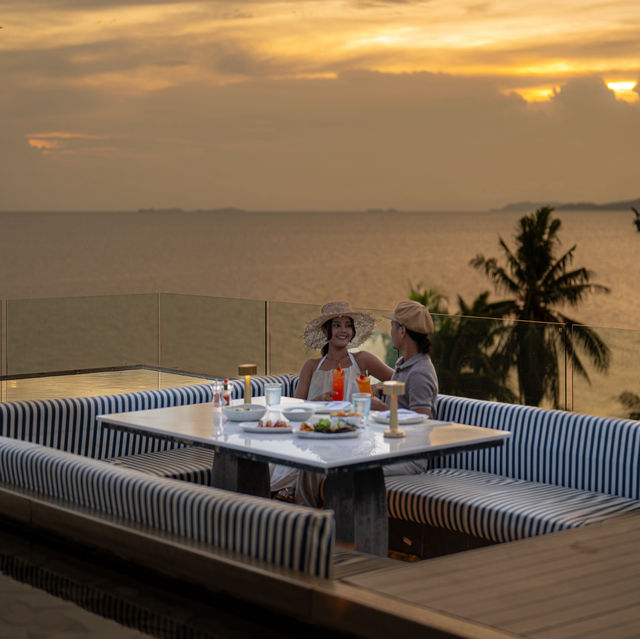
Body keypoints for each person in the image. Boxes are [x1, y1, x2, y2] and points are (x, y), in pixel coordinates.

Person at [271, 301, 393, 504]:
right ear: (326, 330)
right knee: (294, 455)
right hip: (316, 432)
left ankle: (292, 496)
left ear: (353, 331)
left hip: (351, 434)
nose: (343, 330)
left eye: (347, 325)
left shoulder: (362, 360)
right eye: (337, 325)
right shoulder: (311, 366)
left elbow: (401, 381)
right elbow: (295, 409)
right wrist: (316, 401)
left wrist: (375, 390)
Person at [372, 299, 439, 476]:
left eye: (392, 325)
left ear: (402, 331)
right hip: (391, 448)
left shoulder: (419, 373)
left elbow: (420, 423)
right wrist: (381, 389)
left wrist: (382, 409)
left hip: (409, 458)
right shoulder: (404, 364)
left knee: (354, 471)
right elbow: (404, 400)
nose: (390, 331)